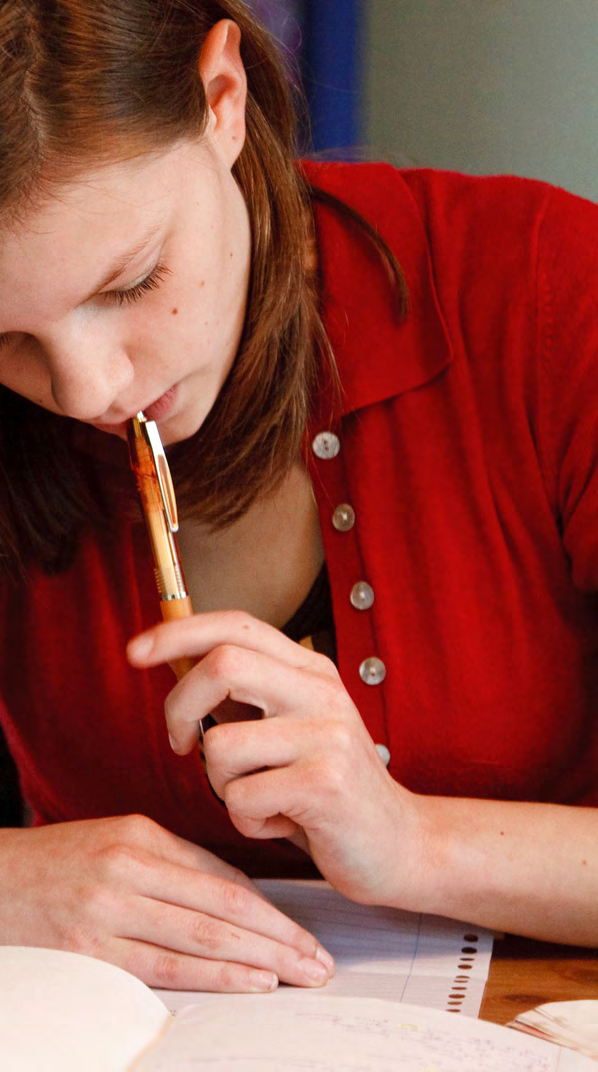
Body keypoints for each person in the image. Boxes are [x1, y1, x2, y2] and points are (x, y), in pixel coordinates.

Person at [0, 0, 597, 996]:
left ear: (222, 98)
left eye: (133, 281)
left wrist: (413, 839)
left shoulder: (543, 290)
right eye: (8, 340)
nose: (87, 391)